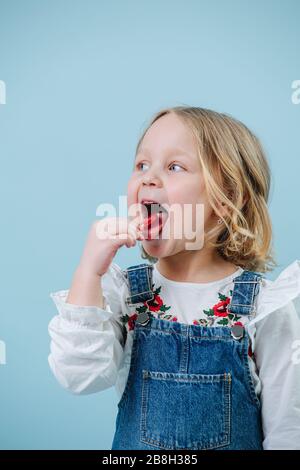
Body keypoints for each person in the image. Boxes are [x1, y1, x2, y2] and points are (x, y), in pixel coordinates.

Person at [48, 106, 300, 450]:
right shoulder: (123, 294)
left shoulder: (264, 307)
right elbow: (79, 376)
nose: (148, 179)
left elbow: (289, 430)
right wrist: (88, 272)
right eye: (141, 165)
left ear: (226, 199)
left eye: (174, 167)